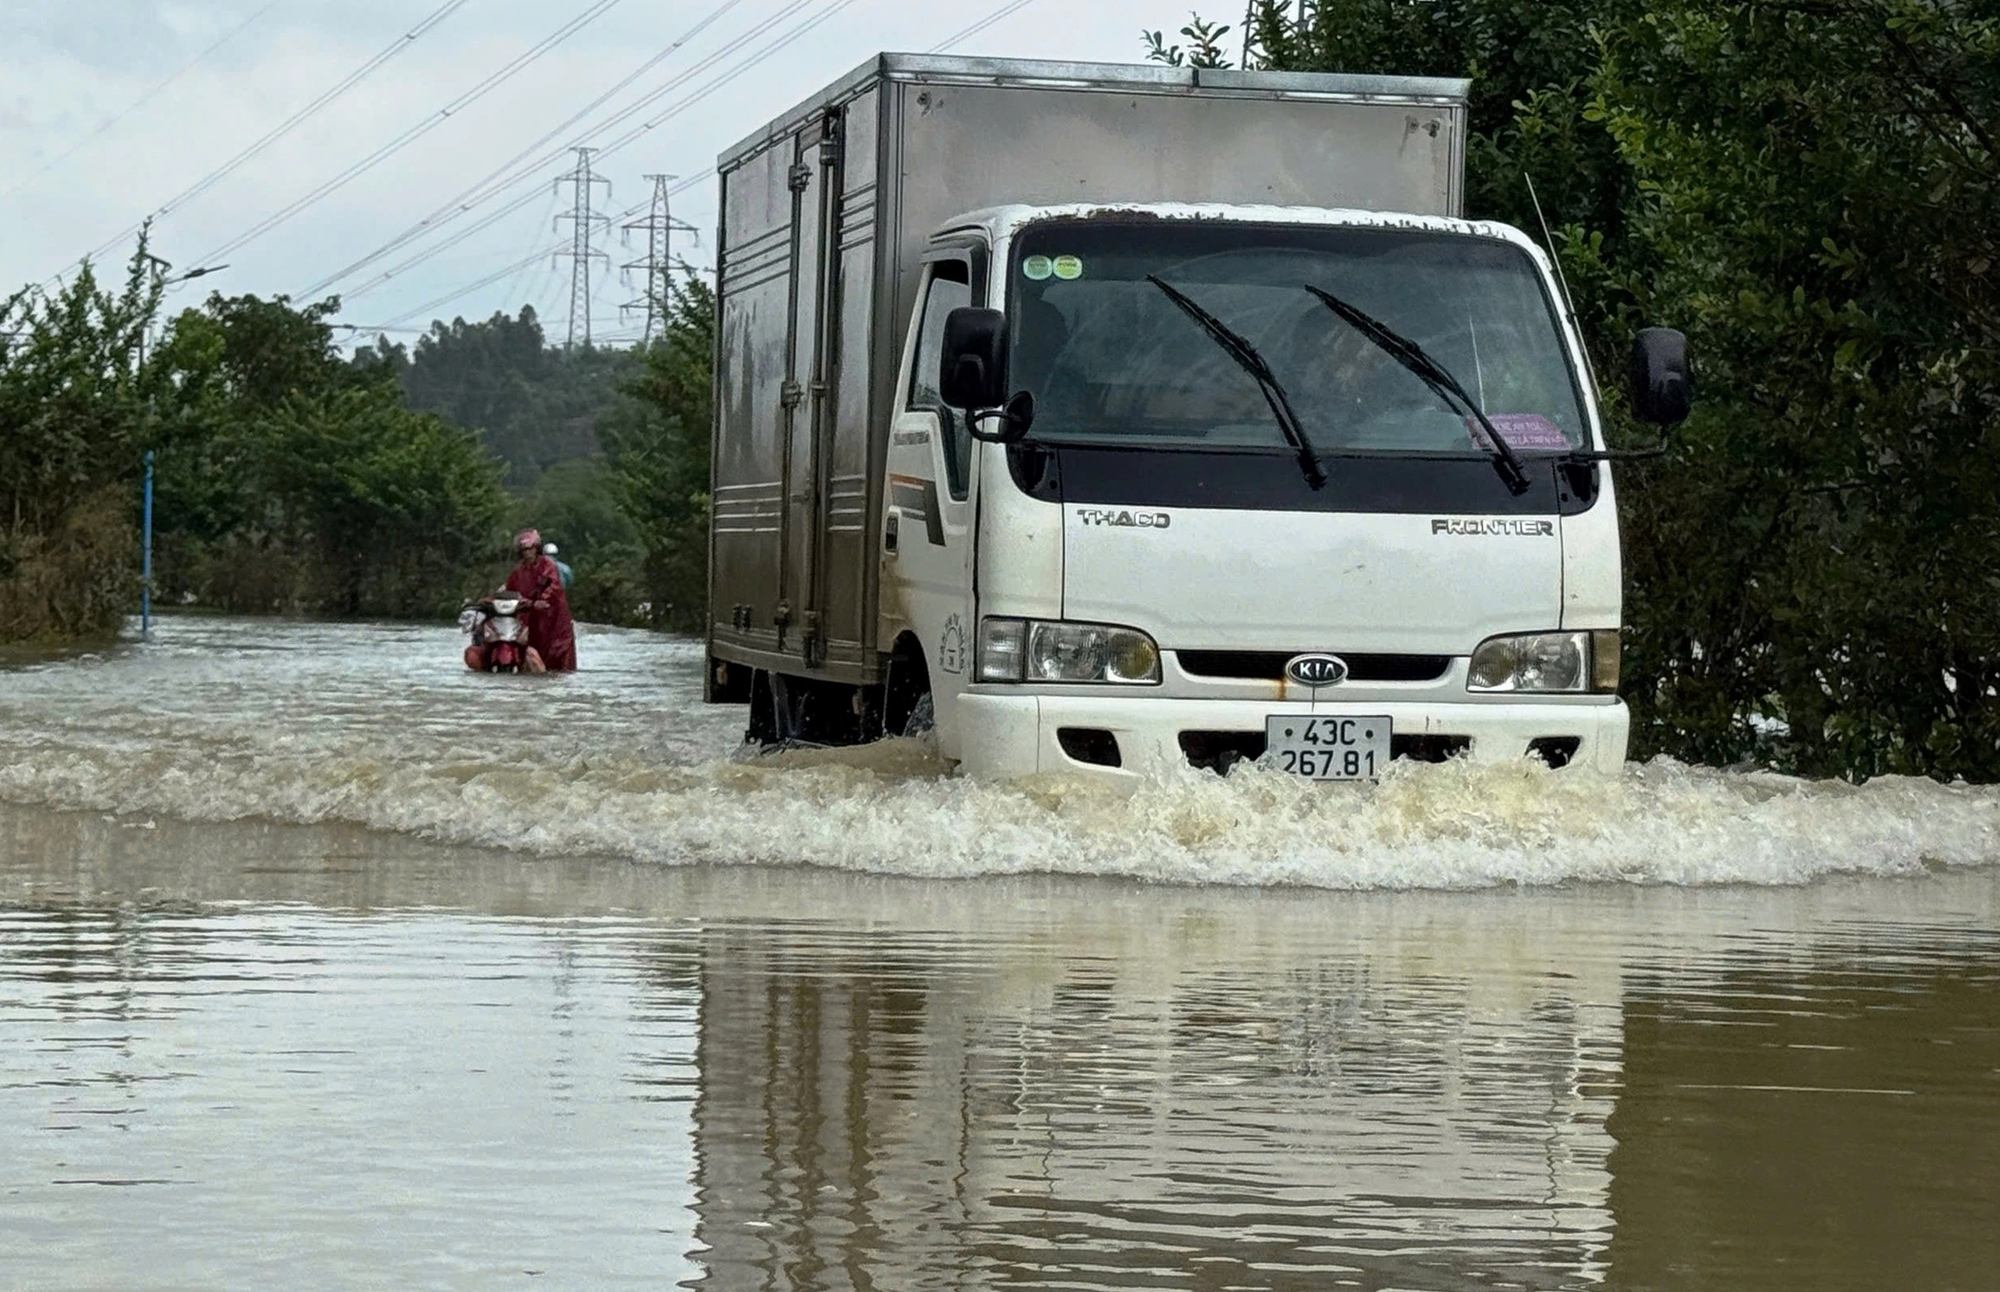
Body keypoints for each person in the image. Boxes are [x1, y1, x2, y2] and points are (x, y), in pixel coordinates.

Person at [504, 527, 576, 671]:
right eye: (525, 550)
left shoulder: (548, 565)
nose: (529, 553)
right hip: (532, 617)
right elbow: (510, 590)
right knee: (534, 650)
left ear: (537, 549)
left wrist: (541, 600)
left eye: (531, 549)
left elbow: (553, 585)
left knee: (560, 655)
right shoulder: (518, 571)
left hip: (554, 617)